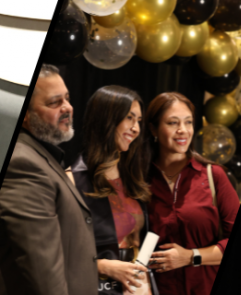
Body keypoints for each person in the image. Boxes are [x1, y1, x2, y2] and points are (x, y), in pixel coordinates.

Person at [0, 64, 100, 295]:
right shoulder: (23, 165)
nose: (67, 108)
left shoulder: (40, 157)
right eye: (55, 102)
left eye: (67, 98)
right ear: (26, 114)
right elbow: (43, 272)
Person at [144, 92, 239, 295]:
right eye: (173, 123)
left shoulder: (214, 175)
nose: (183, 130)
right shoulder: (140, 179)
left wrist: (190, 256)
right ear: (153, 129)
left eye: (188, 122)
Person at [70, 85, 152, 294]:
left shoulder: (133, 177)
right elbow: (59, 251)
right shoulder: (73, 179)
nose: (136, 128)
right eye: (129, 118)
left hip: (137, 287)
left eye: (139, 120)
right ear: (106, 119)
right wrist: (103, 267)